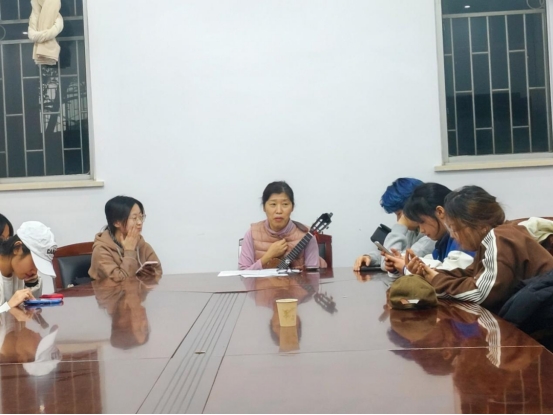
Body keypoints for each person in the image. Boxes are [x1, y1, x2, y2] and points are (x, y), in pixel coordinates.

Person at [405, 186, 553, 311]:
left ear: (480, 226)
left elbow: (481, 293)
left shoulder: (499, 237)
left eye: (454, 228)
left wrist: (436, 280)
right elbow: (469, 274)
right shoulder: (494, 239)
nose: (453, 236)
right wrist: (428, 274)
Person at [385, 182, 474, 275]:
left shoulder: (464, 235)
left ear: (440, 212)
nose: (421, 230)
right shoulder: (443, 241)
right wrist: (403, 262)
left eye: (422, 222)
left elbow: (450, 274)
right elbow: (433, 260)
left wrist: (405, 267)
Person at [353, 178, 435, 271]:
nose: (399, 220)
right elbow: (394, 254)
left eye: (399, 214)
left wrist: (400, 226)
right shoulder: (414, 231)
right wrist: (370, 257)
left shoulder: (431, 236)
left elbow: (396, 261)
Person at [238, 181, 323, 270]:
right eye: (273, 204)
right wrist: (268, 256)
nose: (279, 211)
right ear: (264, 207)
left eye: (285, 204)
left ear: (292, 207)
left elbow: (312, 274)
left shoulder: (307, 235)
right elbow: (243, 274)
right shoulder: (252, 233)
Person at [89, 196, 162, 281]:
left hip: (139, 290)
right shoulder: (101, 250)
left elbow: (158, 272)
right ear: (116, 222)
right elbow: (121, 283)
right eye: (134, 218)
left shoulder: (143, 245)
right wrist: (129, 252)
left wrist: (150, 276)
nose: (139, 222)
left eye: (141, 217)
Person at [0, 221, 57, 313]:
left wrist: (32, 285)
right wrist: (8, 306)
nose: (35, 271)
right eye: (34, 262)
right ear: (17, 248)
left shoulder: (18, 273)